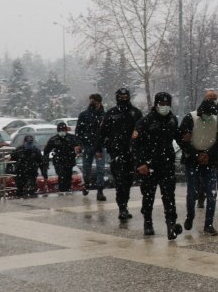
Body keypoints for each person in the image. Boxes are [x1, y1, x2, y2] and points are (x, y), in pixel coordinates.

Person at [134, 92, 182, 240]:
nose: (165, 107)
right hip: (149, 165)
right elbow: (135, 145)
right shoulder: (145, 121)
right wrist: (140, 163)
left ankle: (171, 225)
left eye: (168, 104)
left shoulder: (172, 120)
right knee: (148, 196)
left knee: (169, 196)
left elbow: (178, 138)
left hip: (167, 164)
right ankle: (147, 222)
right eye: (162, 104)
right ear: (156, 105)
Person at [179, 97, 218, 236]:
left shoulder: (217, 118)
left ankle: (209, 224)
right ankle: (190, 216)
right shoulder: (190, 118)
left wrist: (208, 155)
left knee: (211, 193)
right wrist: (196, 155)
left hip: (210, 161)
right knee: (192, 192)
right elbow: (182, 139)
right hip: (192, 161)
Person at [97, 87, 143, 220]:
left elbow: (142, 131)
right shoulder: (111, 113)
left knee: (128, 182)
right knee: (120, 181)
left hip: (131, 153)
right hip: (116, 153)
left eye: (125, 97)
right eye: (121, 97)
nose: (123, 99)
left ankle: (125, 204)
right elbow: (102, 132)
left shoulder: (135, 113)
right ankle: (122, 207)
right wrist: (99, 148)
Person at [76, 93, 107, 200]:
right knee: (86, 168)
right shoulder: (84, 115)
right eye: (91, 101)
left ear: (99, 102)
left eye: (94, 101)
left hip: (100, 146)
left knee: (100, 169)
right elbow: (78, 131)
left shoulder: (104, 115)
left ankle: (100, 190)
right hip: (87, 145)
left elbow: (107, 131)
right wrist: (79, 144)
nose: (92, 103)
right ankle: (86, 184)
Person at [44, 121, 80, 194]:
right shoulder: (54, 139)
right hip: (58, 161)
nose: (62, 132)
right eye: (60, 131)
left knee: (68, 176)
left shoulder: (72, 138)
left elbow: (78, 147)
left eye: (63, 130)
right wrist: (46, 160)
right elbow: (46, 151)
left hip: (69, 160)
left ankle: (67, 189)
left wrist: (77, 152)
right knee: (61, 175)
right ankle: (62, 190)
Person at [11, 135, 45, 199]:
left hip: (31, 173)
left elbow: (41, 162)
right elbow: (11, 160)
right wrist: (11, 171)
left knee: (31, 189)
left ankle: (30, 200)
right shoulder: (19, 150)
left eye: (31, 143)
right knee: (20, 189)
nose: (29, 144)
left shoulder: (36, 151)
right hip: (20, 173)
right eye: (28, 143)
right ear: (24, 142)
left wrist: (44, 172)